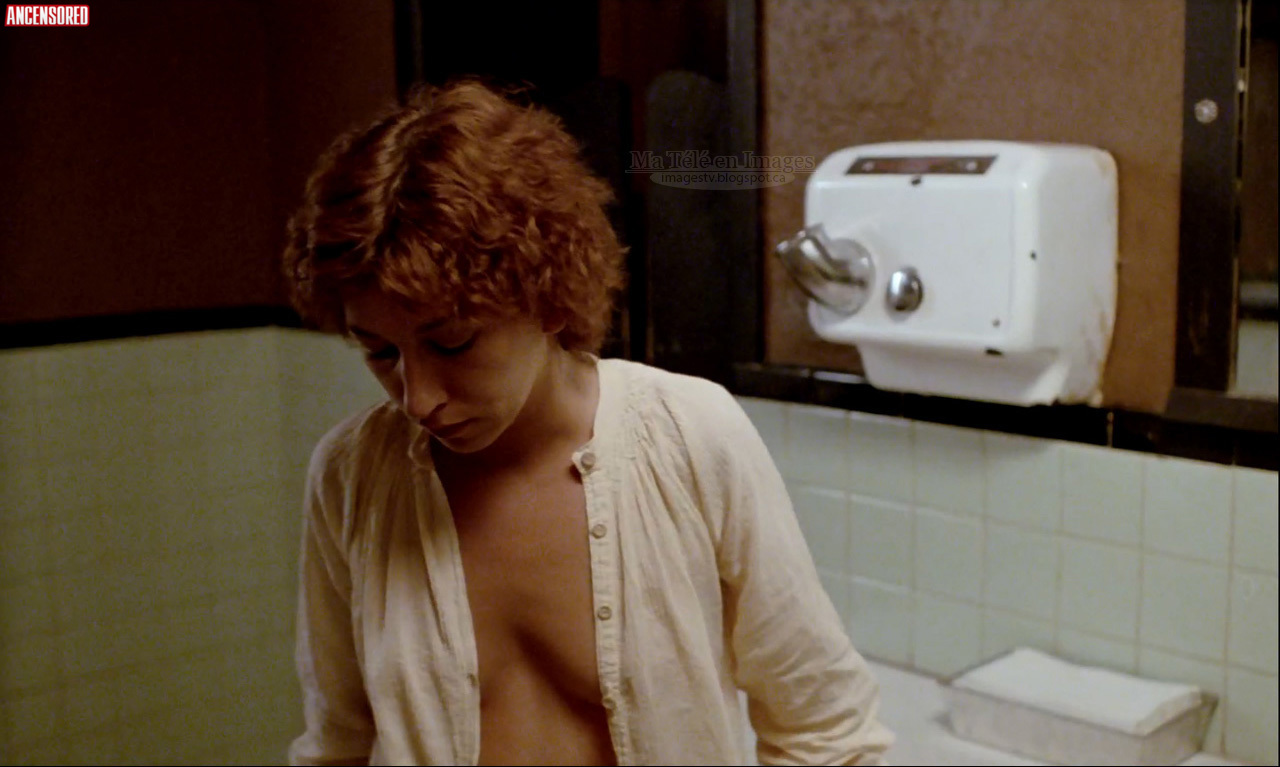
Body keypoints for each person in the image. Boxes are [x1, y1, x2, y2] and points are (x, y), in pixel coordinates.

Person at [281, 79, 894, 766]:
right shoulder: (354, 476)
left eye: (453, 343)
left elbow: (827, 728)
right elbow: (338, 744)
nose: (417, 398)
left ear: (545, 295)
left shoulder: (688, 434)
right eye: (379, 352)